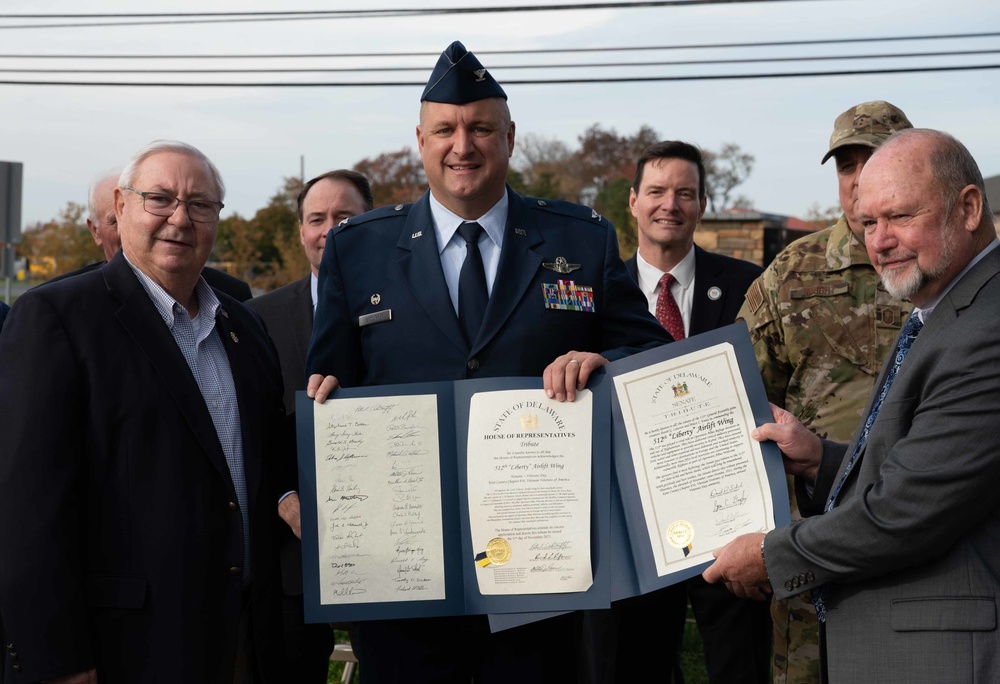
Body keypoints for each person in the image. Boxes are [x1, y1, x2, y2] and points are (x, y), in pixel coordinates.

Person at [303, 41, 670, 684]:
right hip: (407, 580)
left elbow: (651, 356)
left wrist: (601, 362)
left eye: (480, 128)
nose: (462, 146)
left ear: (510, 137)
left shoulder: (579, 238)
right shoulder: (358, 251)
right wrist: (326, 418)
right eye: (445, 129)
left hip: (542, 579)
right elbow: (327, 380)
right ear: (420, 140)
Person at [0, 140, 336, 684]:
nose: (180, 218)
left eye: (200, 204)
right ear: (121, 205)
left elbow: (264, 463)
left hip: (242, 640)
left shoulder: (245, 328)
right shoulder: (57, 319)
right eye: (159, 199)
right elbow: (28, 511)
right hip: (123, 650)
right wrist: (57, 661)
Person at [705, 128, 1000, 683]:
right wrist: (819, 458)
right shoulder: (939, 306)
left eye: (901, 217)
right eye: (868, 223)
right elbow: (921, 469)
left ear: (968, 208)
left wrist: (771, 555)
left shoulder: (988, 327)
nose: (880, 241)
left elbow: (907, 511)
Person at [736, 100, 913, 683]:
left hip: (921, 532)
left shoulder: (939, 264)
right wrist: (750, 534)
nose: (859, 179)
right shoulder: (792, 273)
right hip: (809, 546)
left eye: (875, 159)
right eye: (846, 165)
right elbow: (740, 407)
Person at [595, 140, 766, 683]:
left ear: (702, 204)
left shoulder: (749, 287)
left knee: (739, 662)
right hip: (633, 520)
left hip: (727, 514)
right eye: (657, 191)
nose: (670, 204)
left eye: (685, 194)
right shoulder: (595, 292)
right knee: (637, 663)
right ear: (633, 201)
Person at [245, 169, 372, 683]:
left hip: (398, 548)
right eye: (316, 219)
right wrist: (282, 498)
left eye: (345, 217)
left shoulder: (418, 311)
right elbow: (249, 428)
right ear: (301, 231)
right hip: (293, 558)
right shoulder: (256, 317)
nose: (330, 230)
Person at [51, 171, 253, 302]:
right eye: (115, 220)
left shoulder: (231, 296)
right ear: (95, 231)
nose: (127, 229)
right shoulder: (59, 304)